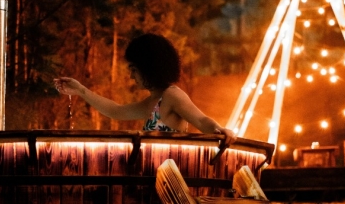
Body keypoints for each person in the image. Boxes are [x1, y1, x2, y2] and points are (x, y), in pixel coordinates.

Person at [54, 33, 236, 143]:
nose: (131, 76)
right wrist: (80, 90)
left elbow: (202, 120)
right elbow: (116, 110)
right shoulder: (153, 101)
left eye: (134, 70)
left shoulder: (172, 95)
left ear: (148, 67)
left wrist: (219, 129)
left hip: (170, 177)